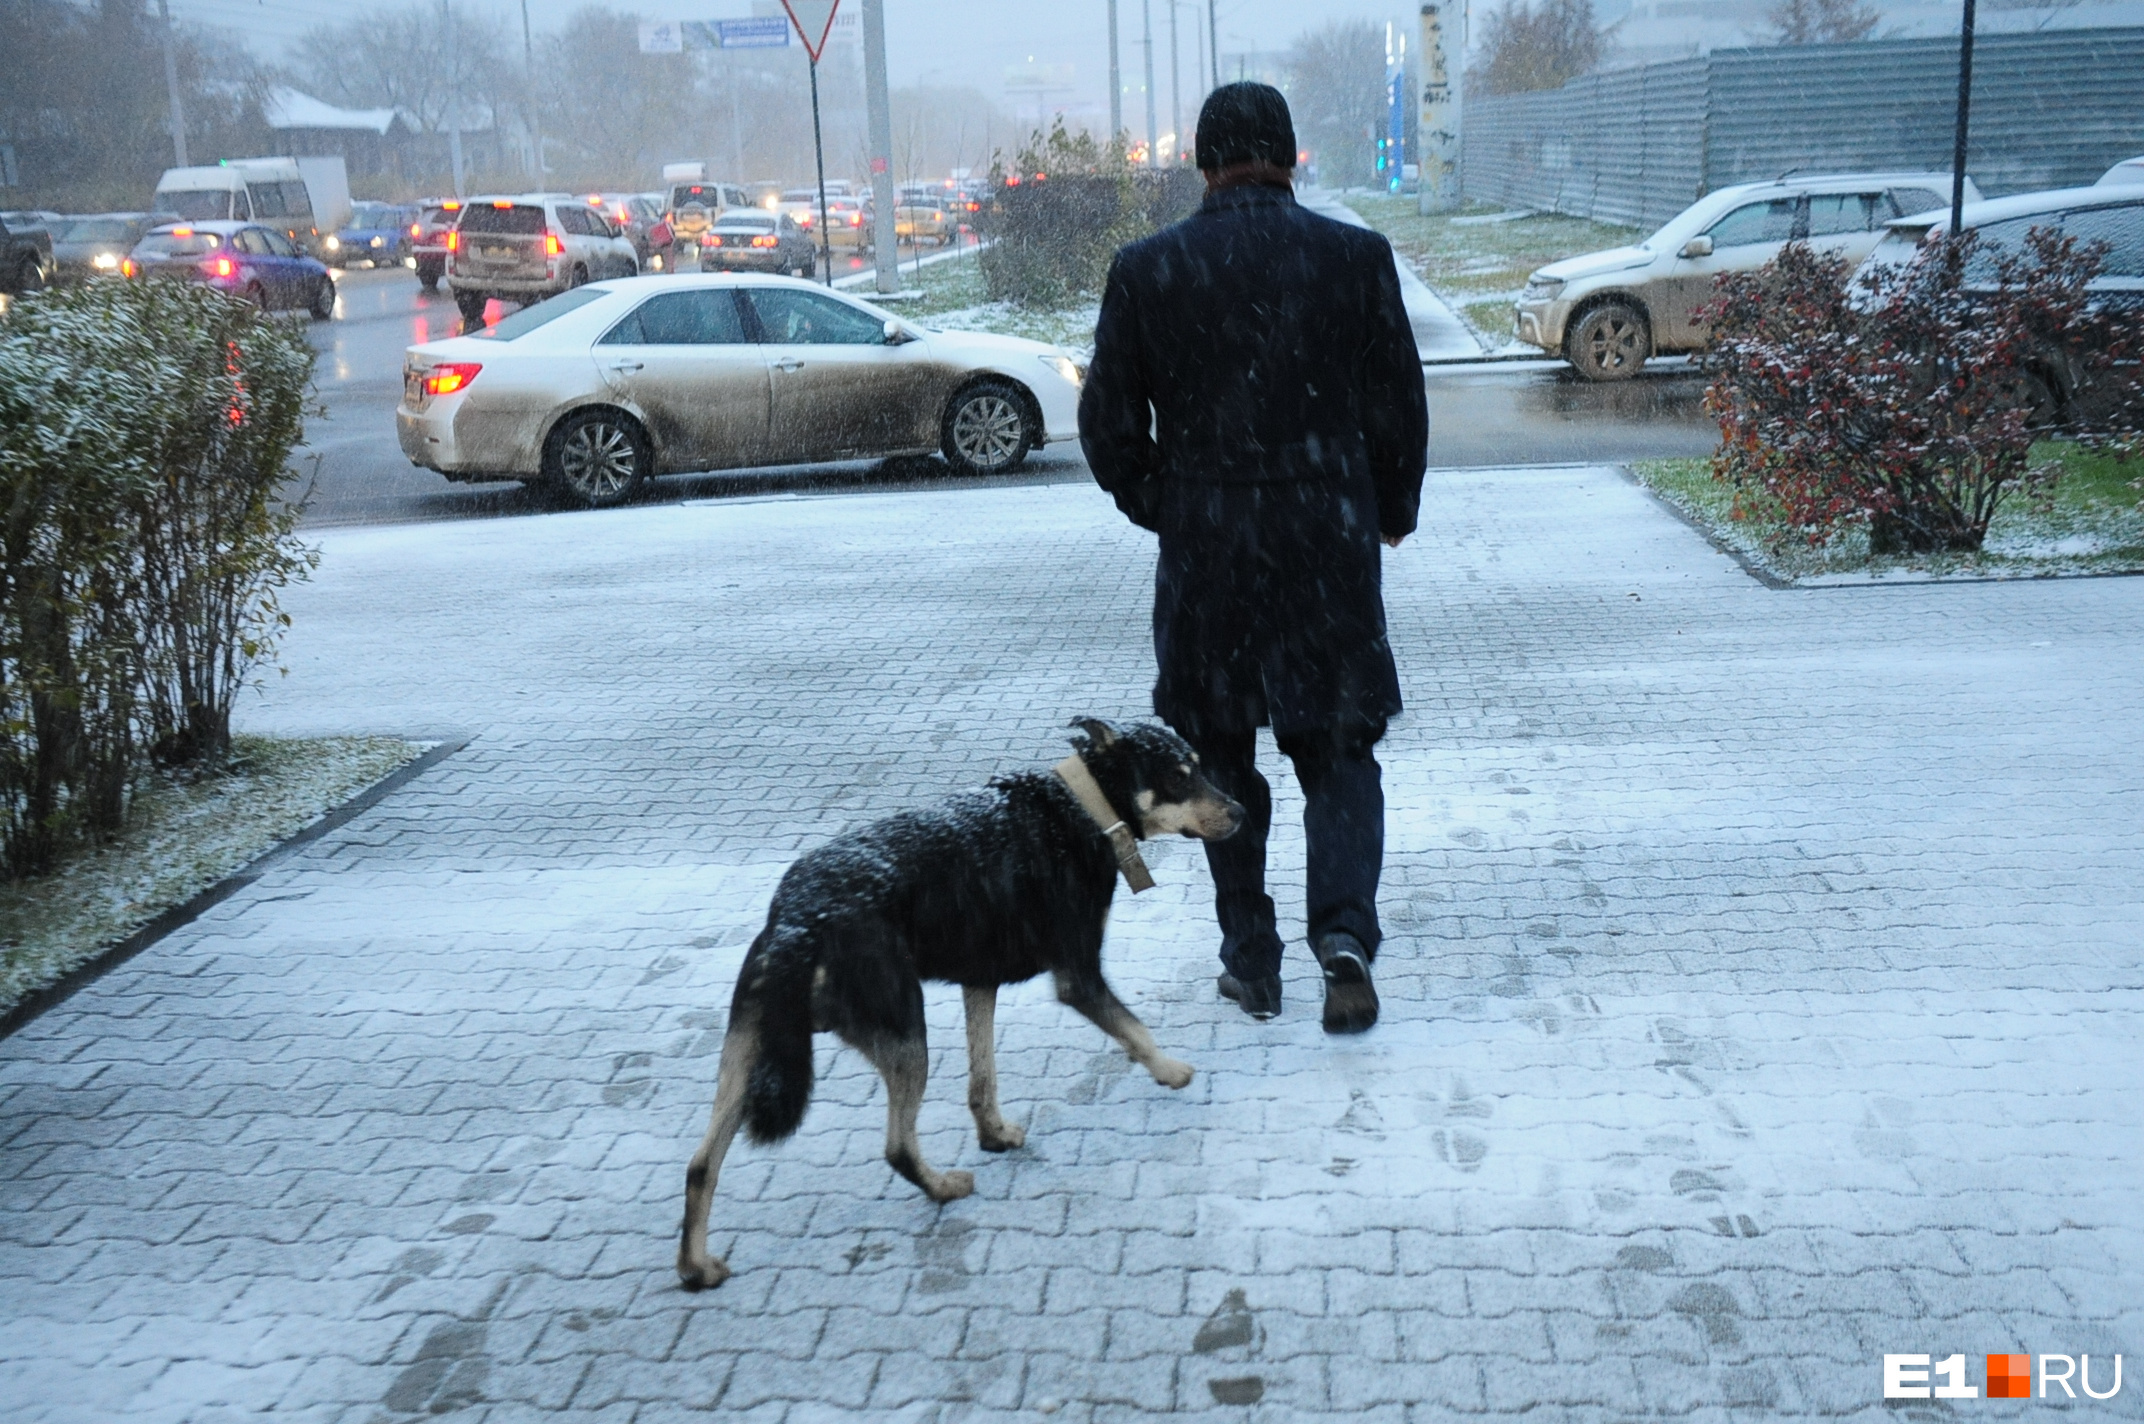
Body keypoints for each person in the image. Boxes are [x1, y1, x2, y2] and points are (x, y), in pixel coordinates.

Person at [1077, 82, 1427, 1034]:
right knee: (1340, 752)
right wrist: (1388, 507)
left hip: (1210, 563)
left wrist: (1173, 504)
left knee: (1222, 757)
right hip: (1329, 551)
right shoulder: (1353, 259)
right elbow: (1398, 399)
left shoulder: (1149, 269)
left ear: (1203, 164)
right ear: (1292, 155)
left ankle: (1251, 956)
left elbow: (1107, 425)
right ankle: (1345, 935)